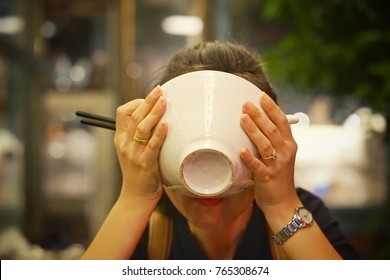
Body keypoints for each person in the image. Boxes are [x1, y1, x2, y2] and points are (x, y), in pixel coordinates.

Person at [80, 41, 358, 260]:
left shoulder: (301, 213)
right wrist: (135, 199)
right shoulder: (144, 226)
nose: (208, 189)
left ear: (268, 142)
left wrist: (281, 206)